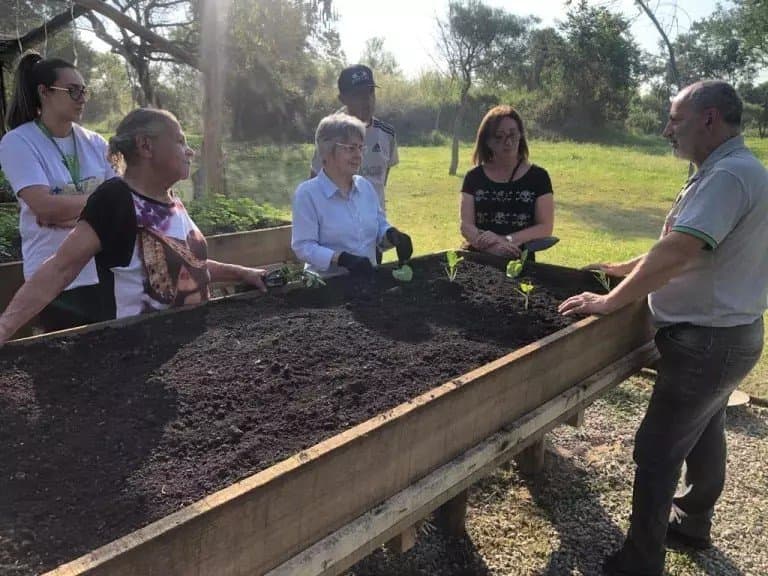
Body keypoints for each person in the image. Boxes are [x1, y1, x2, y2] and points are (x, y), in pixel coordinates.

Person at [559, 80, 768, 576]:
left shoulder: (727, 178)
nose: (666, 129)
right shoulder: (733, 170)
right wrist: (626, 266)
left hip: (707, 340)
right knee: (706, 426)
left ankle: (639, 563)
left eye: (675, 119)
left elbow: (678, 252)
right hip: (731, 334)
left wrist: (611, 300)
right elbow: (683, 240)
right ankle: (693, 525)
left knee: (656, 451)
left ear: (709, 119)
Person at [0, 108, 267, 345]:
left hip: (186, 353)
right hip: (138, 359)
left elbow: (181, 264)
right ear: (145, 146)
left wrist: (242, 273)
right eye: (179, 141)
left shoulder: (170, 201)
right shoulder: (116, 199)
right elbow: (60, 267)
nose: (190, 150)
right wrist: (3, 329)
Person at [0, 51, 117, 331]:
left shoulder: (96, 142)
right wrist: (97, 206)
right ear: (45, 92)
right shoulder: (18, 142)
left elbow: (122, 200)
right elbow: (44, 208)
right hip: (54, 279)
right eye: (73, 90)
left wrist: (63, 214)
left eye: (84, 91)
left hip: (103, 272)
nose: (83, 98)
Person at [293, 113, 412, 278]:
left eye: (360, 148)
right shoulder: (308, 194)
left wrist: (392, 235)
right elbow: (303, 246)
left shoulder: (365, 187)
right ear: (327, 151)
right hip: (326, 290)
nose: (358, 155)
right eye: (350, 148)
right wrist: (341, 258)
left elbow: (378, 227)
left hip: (367, 284)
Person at [460, 105, 554, 260]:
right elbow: (466, 226)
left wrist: (505, 240)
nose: (508, 142)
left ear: (521, 135)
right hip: (477, 259)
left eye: (512, 134)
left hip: (519, 262)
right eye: (499, 136)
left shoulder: (539, 177)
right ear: (487, 141)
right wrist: (493, 248)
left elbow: (545, 227)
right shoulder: (473, 177)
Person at [310, 64, 398, 213]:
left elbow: (381, 182)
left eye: (370, 92)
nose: (367, 100)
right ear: (342, 98)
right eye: (358, 94)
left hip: (375, 226)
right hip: (338, 227)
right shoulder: (329, 133)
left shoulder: (387, 134)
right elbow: (314, 183)